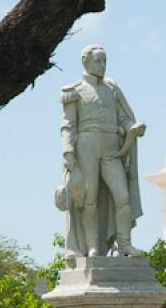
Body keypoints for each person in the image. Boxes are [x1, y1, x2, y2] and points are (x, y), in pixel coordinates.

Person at [56, 44, 146, 264]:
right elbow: (68, 125)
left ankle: (124, 243)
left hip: (112, 147)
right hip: (86, 144)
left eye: (104, 61)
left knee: (122, 196)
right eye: (98, 61)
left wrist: (132, 128)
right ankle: (93, 246)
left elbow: (123, 118)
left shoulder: (112, 89)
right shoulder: (73, 90)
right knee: (89, 198)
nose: (102, 65)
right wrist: (68, 151)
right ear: (85, 62)